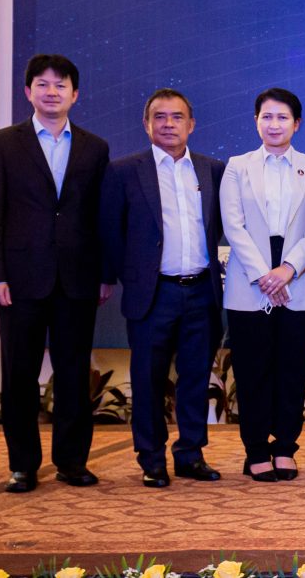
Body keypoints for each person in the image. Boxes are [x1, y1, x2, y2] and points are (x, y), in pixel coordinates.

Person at [0, 54, 109, 493]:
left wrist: (104, 273)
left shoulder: (95, 147)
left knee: (73, 373)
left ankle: (72, 462)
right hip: (19, 280)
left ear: (76, 94)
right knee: (19, 375)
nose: (52, 92)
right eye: (43, 84)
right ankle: (23, 465)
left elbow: (101, 217)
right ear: (28, 91)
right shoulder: (3, 143)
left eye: (61, 85)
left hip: (77, 279)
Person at [100, 88, 226, 488]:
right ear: (146, 124)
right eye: (160, 117)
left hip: (201, 291)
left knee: (195, 378)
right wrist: (127, 276)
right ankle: (151, 459)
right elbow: (110, 233)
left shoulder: (212, 170)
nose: (168, 124)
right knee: (148, 379)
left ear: (191, 124)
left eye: (177, 117)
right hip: (153, 294)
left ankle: (190, 454)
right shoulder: (124, 171)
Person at [220, 88, 305, 482]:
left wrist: (287, 270)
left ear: (297, 124)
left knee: (292, 371)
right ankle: (255, 450)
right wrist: (264, 274)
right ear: (256, 121)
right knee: (252, 372)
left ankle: (284, 447)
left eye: (283, 117)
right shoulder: (237, 167)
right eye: (266, 117)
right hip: (249, 282)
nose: (274, 124)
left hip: (298, 279)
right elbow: (233, 226)